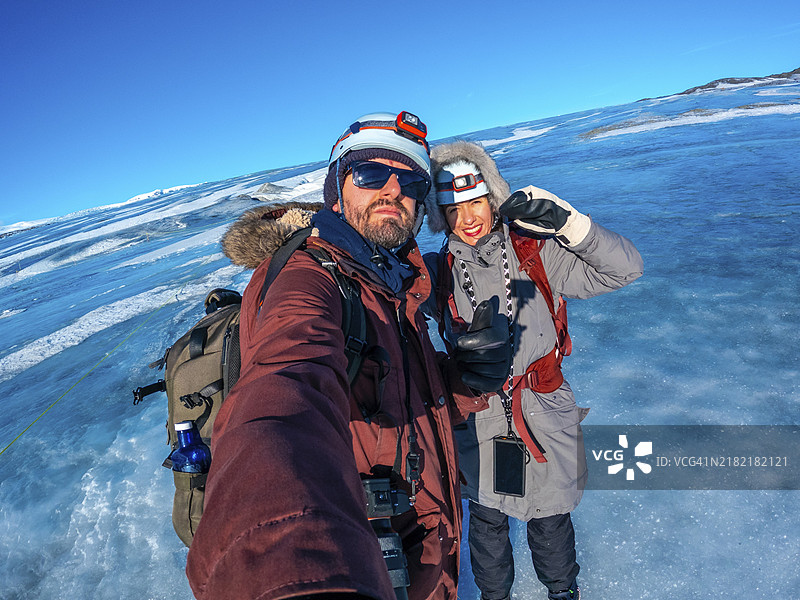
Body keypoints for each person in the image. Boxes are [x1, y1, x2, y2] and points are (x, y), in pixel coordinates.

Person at [185, 114, 512, 600]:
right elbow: (283, 393)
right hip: (366, 554)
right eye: (371, 176)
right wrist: (289, 573)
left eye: (411, 182)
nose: (393, 191)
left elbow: (400, 398)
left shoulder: (387, 278)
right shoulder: (309, 279)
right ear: (337, 189)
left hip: (420, 540)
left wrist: (464, 380)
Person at [423, 141, 644, 600]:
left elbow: (625, 270)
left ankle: (563, 593)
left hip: (543, 410)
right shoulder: (435, 272)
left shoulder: (536, 254)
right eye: (453, 208)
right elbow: (385, 305)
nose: (468, 218)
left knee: (550, 519)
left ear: (493, 196)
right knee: (486, 524)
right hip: (478, 416)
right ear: (438, 214)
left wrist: (572, 225)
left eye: (476, 202)